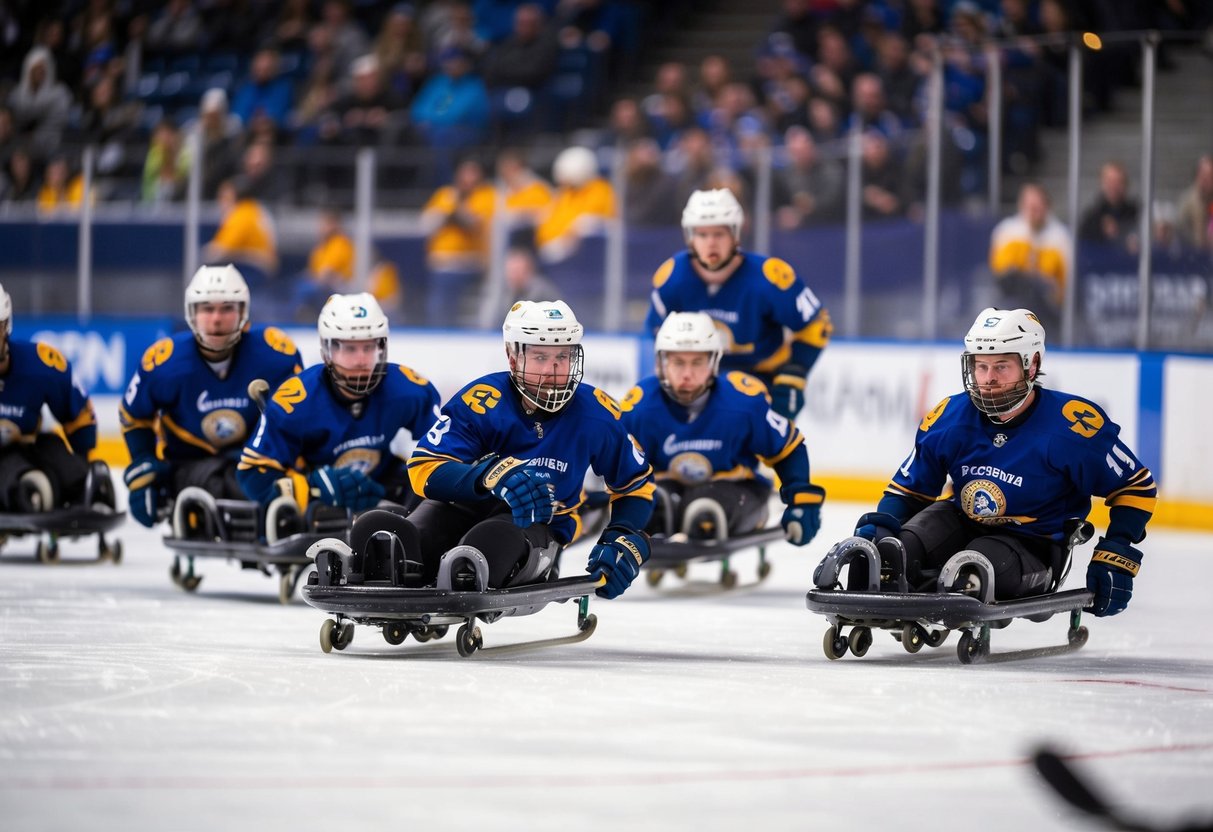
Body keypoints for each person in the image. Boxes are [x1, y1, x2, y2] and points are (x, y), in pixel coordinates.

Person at [847, 308, 1155, 617]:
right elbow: (909, 491)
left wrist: (1117, 550)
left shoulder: (1071, 426)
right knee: (900, 549)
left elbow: (1136, 486)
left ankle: (962, 581)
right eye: (980, 366)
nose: (988, 379)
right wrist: (882, 528)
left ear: (1032, 365)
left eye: (1001, 366)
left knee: (975, 567)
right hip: (962, 521)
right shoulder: (949, 416)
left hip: (1034, 544)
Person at [402, 300, 655, 598]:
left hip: (538, 526)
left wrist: (622, 535)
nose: (553, 370)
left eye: (563, 355)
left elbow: (636, 485)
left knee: (488, 543)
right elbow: (423, 467)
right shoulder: (481, 399)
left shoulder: (598, 413)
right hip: (463, 509)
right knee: (400, 537)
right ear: (513, 357)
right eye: (540, 356)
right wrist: (489, 477)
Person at [120, 265, 304, 528]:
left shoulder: (276, 355)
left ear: (243, 312)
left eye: (227, 308)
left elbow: (300, 418)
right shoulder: (164, 362)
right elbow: (134, 415)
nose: (216, 319)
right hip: (190, 464)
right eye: (207, 309)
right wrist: (144, 464)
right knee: (229, 483)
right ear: (191, 313)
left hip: (255, 461)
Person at [620, 312, 825, 546]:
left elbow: (788, 447)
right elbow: (614, 457)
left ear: (714, 362)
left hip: (737, 489)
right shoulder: (640, 405)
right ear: (661, 363)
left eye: (697, 362)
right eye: (678, 362)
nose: (687, 374)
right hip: (669, 488)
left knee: (705, 510)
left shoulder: (742, 400)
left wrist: (802, 498)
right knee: (652, 505)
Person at [237, 292, 440, 513]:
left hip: (380, 486)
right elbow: (252, 473)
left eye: (369, 347)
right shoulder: (293, 401)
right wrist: (311, 487)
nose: (361, 360)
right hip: (317, 505)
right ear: (327, 350)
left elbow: (445, 451)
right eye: (349, 348)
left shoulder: (410, 389)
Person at [644, 188, 832, 422]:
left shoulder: (771, 278)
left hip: (764, 375)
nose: (711, 243)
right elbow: (657, 333)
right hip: (699, 374)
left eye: (719, 234)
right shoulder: (672, 278)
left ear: (735, 234)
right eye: (702, 235)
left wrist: (794, 373)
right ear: (690, 237)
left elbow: (816, 324)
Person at [0, 282, 103, 514]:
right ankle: (28, 489)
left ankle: (77, 488)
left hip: (29, 445)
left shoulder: (40, 364)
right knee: (17, 476)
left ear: (6, 328)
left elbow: (77, 413)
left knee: (73, 470)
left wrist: (83, 461)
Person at [988, 183, 1072, 333]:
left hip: (1048, 310)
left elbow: (1063, 285)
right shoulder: (1007, 231)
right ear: (1021, 206)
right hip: (1012, 306)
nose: (1033, 212)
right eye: (1029, 207)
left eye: (1037, 207)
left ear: (1047, 207)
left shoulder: (1060, 237)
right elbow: (1002, 274)